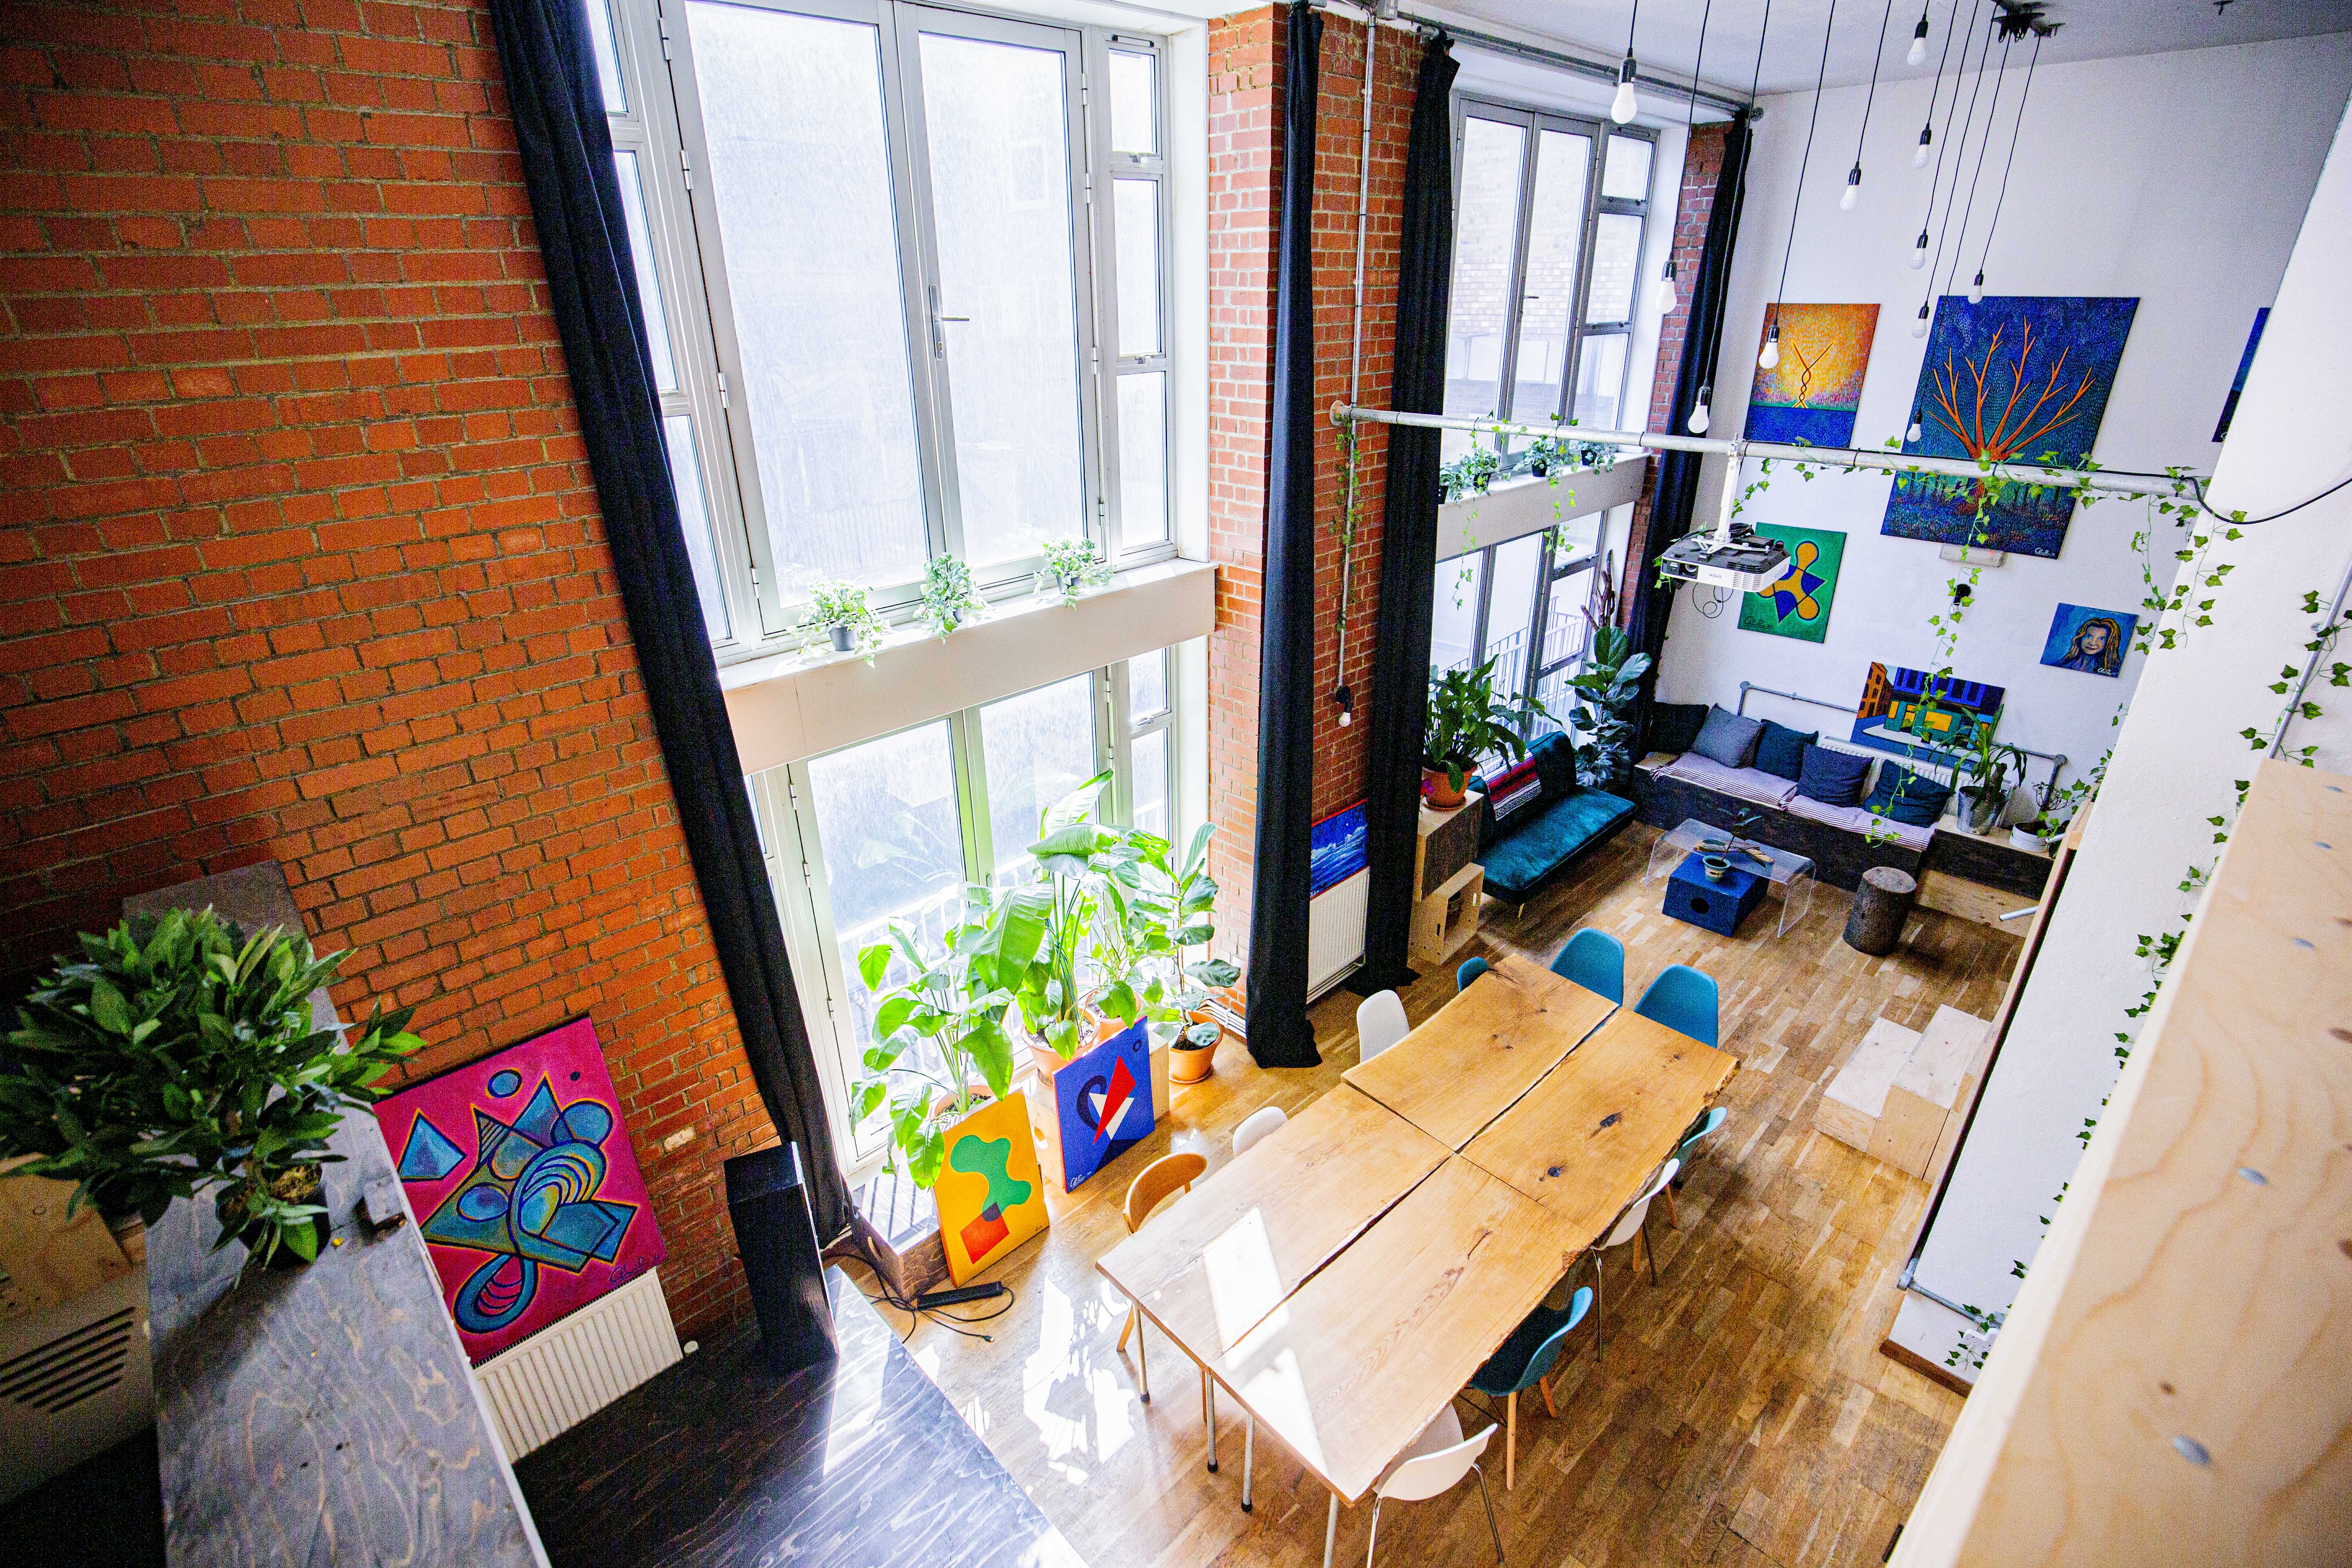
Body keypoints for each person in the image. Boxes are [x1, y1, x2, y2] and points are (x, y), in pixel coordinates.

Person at [2054, 615, 2125, 676]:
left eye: (2101, 639)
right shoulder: (2063, 664)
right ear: (2081, 637)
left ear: (2108, 643)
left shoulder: (2113, 671)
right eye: (2089, 637)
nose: (2093, 643)